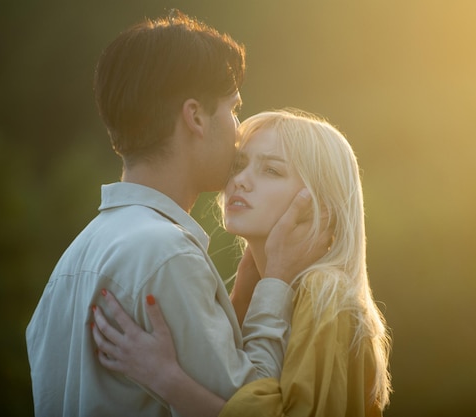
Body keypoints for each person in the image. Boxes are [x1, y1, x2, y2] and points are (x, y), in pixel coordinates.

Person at [26, 12, 327, 417]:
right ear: (196, 117)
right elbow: (255, 400)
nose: (237, 131)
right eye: (233, 109)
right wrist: (276, 281)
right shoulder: (167, 253)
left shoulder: (73, 258)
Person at [92, 109, 393, 416]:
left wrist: (166, 379)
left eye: (271, 171)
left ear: (319, 206)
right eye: (239, 165)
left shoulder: (325, 292)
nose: (239, 181)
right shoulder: (263, 288)